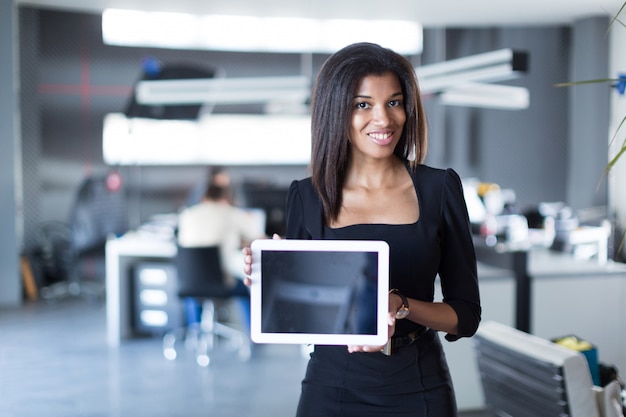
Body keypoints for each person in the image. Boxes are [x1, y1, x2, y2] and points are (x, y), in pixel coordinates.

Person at [243, 42, 481, 417]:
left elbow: (465, 315)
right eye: (363, 104)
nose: (384, 120)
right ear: (336, 111)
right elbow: (299, 315)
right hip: (333, 384)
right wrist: (270, 278)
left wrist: (400, 306)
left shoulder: (439, 189)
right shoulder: (306, 196)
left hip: (418, 385)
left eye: (394, 102)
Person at [178, 181, 265, 331]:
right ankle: (254, 332)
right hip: (221, 282)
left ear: (204, 198)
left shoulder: (187, 214)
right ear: (225, 198)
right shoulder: (232, 213)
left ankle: (195, 331)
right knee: (246, 286)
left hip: (188, 282)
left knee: (194, 289)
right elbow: (260, 239)